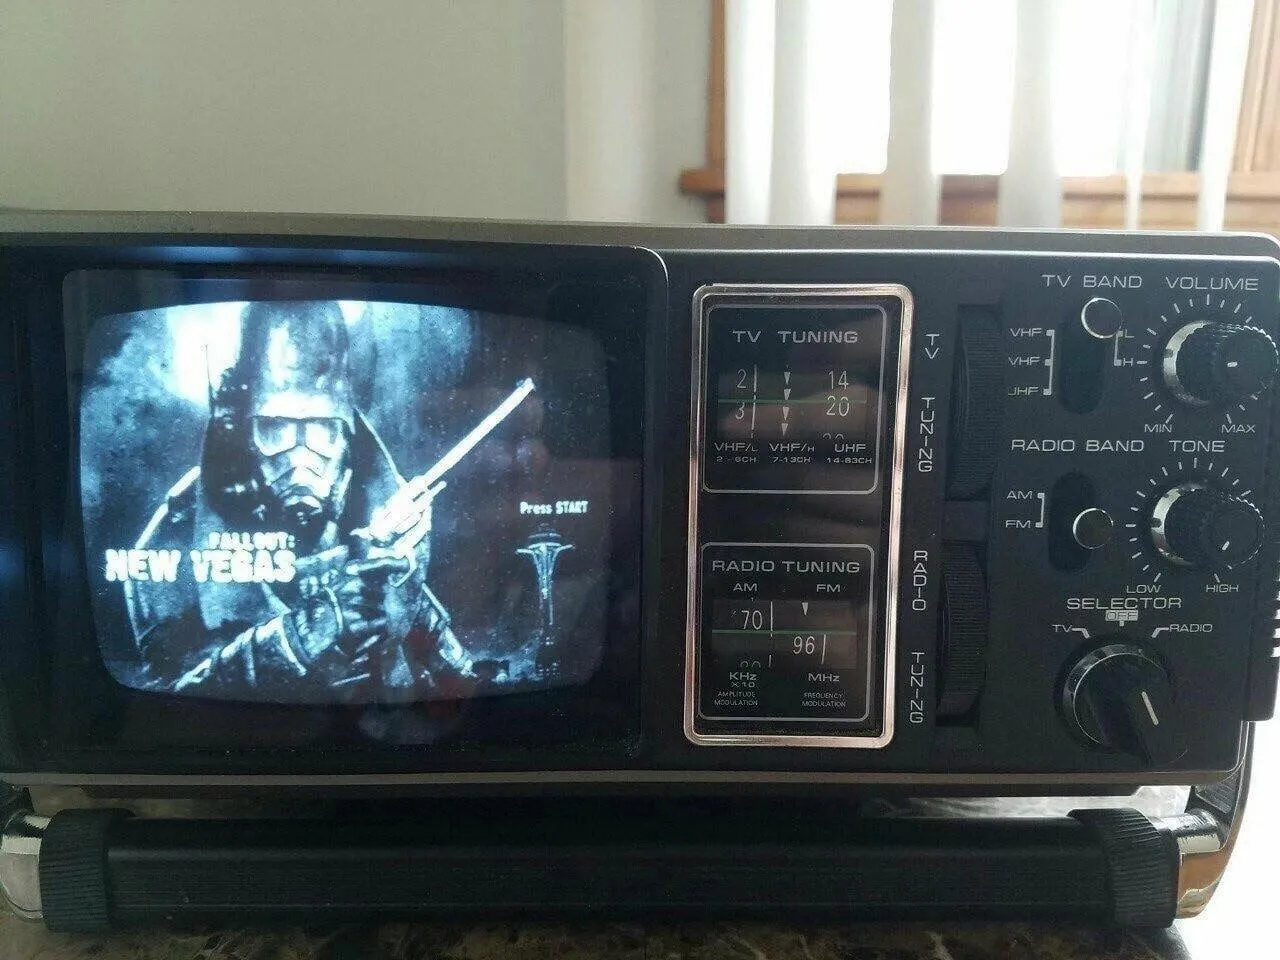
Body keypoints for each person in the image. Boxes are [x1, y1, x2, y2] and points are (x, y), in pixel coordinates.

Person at [124, 300, 473, 701]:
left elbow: (440, 656)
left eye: (323, 428)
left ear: (347, 435)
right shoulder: (172, 542)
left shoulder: (369, 513)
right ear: (240, 432)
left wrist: (402, 590)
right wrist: (301, 636)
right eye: (275, 428)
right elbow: (175, 698)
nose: (301, 458)